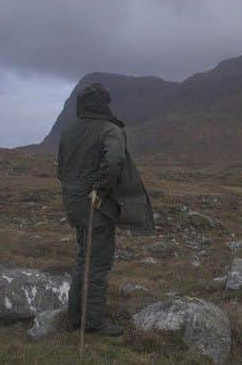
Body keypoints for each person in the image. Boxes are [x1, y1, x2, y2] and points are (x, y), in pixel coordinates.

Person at [57, 82, 154, 336]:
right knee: (97, 264)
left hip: (74, 204)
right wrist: (99, 190)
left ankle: (75, 318)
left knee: (82, 259)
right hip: (95, 206)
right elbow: (114, 161)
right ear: (102, 103)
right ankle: (93, 323)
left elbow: (61, 170)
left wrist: (76, 192)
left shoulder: (68, 132)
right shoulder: (110, 130)